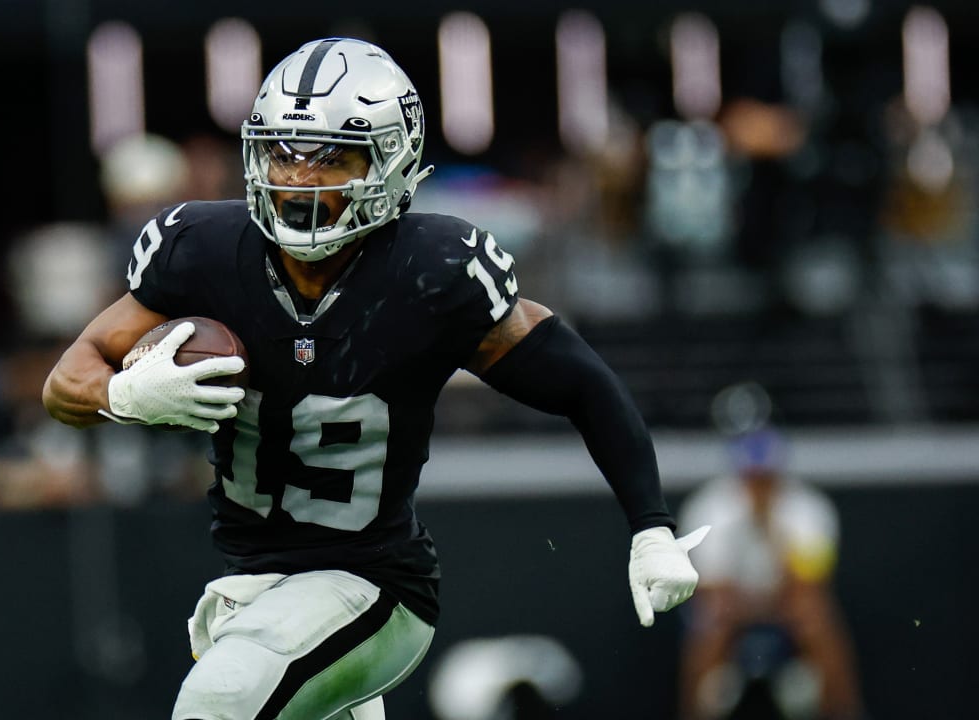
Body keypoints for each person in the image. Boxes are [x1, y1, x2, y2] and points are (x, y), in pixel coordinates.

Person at [44, 38, 706, 720]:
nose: (300, 178)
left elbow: (582, 384)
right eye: (284, 152)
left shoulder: (432, 271)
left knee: (218, 705)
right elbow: (68, 379)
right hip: (252, 585)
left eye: (331, 155)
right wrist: (122, 395)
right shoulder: (203, 252)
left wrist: (651, 525)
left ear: (389, 160)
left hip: (373, 585)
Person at [678, 427, 864, 720]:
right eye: (752, 477)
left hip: (787, 604)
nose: (759, 486)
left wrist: (770, 526)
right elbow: (712, 587)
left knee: (817, 618)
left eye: (766, 477)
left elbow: (809, 584)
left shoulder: (809, 508)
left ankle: (843, 712)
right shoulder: (710, 508)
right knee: (710, 623)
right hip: (731, 606)